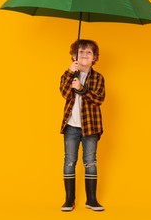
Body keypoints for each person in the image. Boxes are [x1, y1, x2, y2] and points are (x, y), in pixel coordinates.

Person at [59, 39, 105, 211]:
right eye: (81, 52)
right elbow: (64, 92)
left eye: (89, 52)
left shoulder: (98, 78)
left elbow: (99, 99)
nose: (84, 55)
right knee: (69, 160)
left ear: (94, 58)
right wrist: (70, 73)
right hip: (71, 126)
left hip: (91, 127)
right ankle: (69, 199)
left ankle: (91, 199)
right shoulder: (69, 74)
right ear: (73, 56)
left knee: (90, 161)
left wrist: (81, 88)